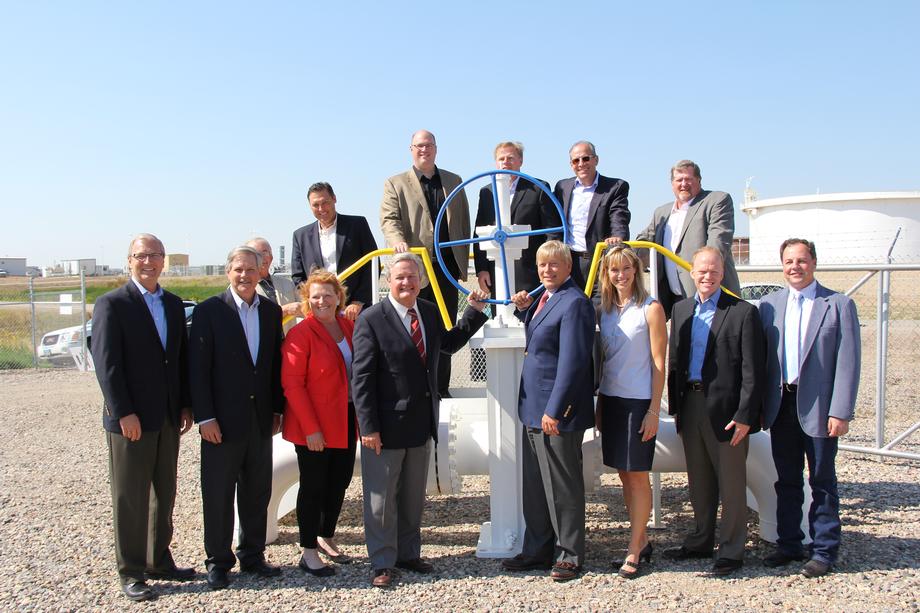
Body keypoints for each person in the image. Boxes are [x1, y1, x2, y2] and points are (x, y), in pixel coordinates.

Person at [351, 253, 489, 588]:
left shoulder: (426, 312)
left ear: (421, 280)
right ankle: (382, 562)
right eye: (400, 277)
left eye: (412, 277)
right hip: (384, 427)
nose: (406, 283)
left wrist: (474, 311)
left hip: (420, 423)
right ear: (388, 280)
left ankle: (408, 554)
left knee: (413, 496)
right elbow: (362, 378)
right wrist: (367, 427)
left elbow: (449, 344)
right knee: (381, 499)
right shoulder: (371, 319)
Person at [91, 233, 195, 602]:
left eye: (155, 255)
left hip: (167, 417)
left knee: (163, 492)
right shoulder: (111, 304)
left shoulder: (170, 303)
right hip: (130, 420)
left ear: (164, 260)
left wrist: (185, 404)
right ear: (129, 260)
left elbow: (178, 358)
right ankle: (131, 570)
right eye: (141, 255)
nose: (148, 261)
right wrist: (123, 413)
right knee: (131, 496)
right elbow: (107, 365)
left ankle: (158, 559)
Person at [758, 238, 860, 578]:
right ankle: (789, 544)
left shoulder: (837, 304)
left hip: (819, 407)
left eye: (801, 260)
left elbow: (848, 363)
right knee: (786, 479)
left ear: (813, 262)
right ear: (781, 265)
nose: (794, 267)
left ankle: (824, 550)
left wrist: (841, 411)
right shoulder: (769, 305)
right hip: (781, 405)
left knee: (822, 480)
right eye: (788, 261)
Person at [664, 246, 764, 576]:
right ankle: (700, 540)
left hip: (727, 411)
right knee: (699, 480)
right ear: (691, 272)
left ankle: (732, 549)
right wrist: (677, 409)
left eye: (714, 271)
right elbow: (675, 363)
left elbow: (753, 370)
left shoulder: (742, 312)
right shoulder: (680, 310)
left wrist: (746, 415)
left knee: (732, 483)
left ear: (723, 274)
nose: (707, 276)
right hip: (690, 406)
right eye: (701, 270)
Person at [189, 246, 285, 590]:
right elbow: (197, 371)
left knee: (257, 492)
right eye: (238, 269)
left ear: (261, 272)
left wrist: (277, 409)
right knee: (217, 494)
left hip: (260, 421)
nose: (245, 276)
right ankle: (218, 561)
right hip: (221, 424)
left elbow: (273, 366)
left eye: (251, 270)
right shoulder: (209, 311)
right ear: (228, 272)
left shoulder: (271, 313)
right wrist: (205, 418)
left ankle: (253, 556)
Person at [503, 241, 595, 582]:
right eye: (543, 265)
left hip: (556, 412)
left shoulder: (575, 303)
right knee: (536, 485)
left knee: (562, 484)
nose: (547, 270)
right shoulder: (547, 298)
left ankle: (570, 554)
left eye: (555, 265)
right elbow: (542, 337)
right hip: (533, 408)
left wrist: (556, 410)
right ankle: (538, 549)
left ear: (569, 267)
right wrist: (524, 310)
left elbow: (573, 362)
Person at [380, 129, 471, 397]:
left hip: (445, 268)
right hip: (415, 271)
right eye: (419, 146)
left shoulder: (454, 181)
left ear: (436, 148)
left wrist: (465, 261)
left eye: (429, 145)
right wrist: (397, 241)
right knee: (412, 327)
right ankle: (415, 388)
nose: (424, 150)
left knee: (444, 327)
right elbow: (389, 219)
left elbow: (464, 221)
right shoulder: (395, 183)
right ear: (411, 149)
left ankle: (441, 389)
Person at [595, 245, 667, 578]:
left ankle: (634, 549)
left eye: (626, 269)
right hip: (611, 400)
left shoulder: (650, 309)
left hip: (639, 402)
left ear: (636, 270)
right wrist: (599, 404)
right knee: (624, 474)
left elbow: (658, 363)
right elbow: (604, 362)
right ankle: (643, 539)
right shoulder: (606, 310)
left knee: (638, 476)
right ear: (606, 274)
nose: (620, 275)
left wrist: (654, 410)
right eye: (614, 270)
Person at [280, 270, 358, 578]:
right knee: (313, 486)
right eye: (315, 296)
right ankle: (308, 550)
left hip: (345, 419)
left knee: (339, 481)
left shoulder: (349, 327)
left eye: (328, 295)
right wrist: (311, 429)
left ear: (339, 297)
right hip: (313, 426)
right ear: (306, 301)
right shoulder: (301, 334)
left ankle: (327, 535)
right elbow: (293, 385)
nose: (322, 301)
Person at [636, 160, 740, 317]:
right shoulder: (661, 212)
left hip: (711, 297)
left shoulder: (716, 200)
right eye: (679, 180)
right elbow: (642, 241)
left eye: (688, 179)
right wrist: (618, 249)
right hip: (675, 301)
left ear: (699, 180)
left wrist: (704, 272)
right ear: (672, 184)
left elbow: (717, 243)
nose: (683, 184)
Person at [473, 141, 559, 294]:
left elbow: (551, 231)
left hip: (531, 272)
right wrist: (482, 270)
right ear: (496, 162)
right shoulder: (486, 193)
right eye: (501, 159)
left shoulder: (538, 188)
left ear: (521, 161)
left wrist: (547, 267)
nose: (505, 162)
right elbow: (479, 234)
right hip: (497, 271)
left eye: (511, 158)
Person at [291, 182, 378, 320]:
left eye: (325, 202)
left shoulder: (357, 225)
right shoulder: (300, 235)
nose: (321, 208)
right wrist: (310, 304)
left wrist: (358, 301)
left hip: (354, 311)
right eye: (315, 205)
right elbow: (298, 277)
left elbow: (372, 264)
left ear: (334, 199)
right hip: (319, 311)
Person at [552, 141, 630, 292]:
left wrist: (617, 236)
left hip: (599, 260)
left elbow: (619, 216)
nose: (581, 164)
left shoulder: (615, 187)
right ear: (571, 164)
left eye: (586, 158)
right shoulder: (562, 187)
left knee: (598, 308)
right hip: (568, 260)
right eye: (576, 160)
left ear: (596, 160)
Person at [246, 237, 302, 334]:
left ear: (271, 257)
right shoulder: (242, 288)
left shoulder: (288, 284)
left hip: (289, 345)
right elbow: (245, 319)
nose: (261, 257)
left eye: (265, 252)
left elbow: (305, 309)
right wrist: (284, 310)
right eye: (256, 253)